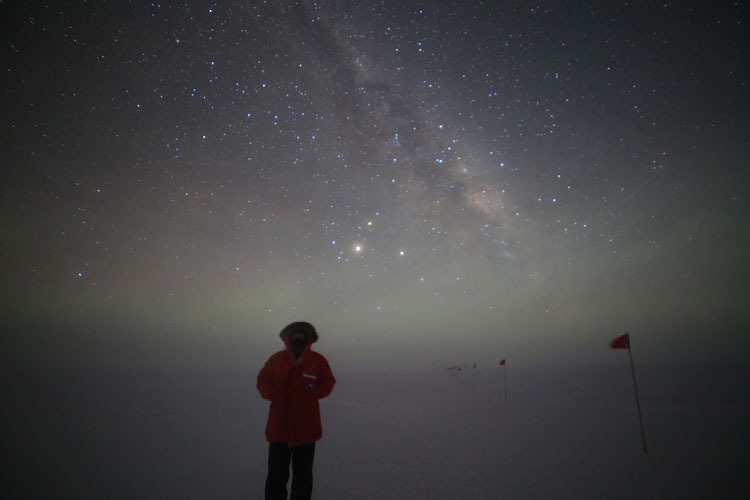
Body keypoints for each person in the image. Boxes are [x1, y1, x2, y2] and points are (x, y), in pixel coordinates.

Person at [257, 321, 336, 500]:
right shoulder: (276, 360)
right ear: (287, 338)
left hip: (306, 429)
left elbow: (328, 381)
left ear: (308, 339)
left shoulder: (318, 361)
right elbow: (262, 380)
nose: (298, 339)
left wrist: (313, 393)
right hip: (279, 429)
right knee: (276, 476)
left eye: (302, 336)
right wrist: (273, 394)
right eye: (294, 335)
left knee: (303, 477)